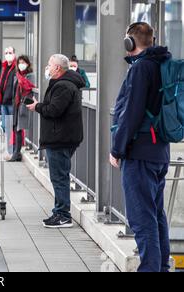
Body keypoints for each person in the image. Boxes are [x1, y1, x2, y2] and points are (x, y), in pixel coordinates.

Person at [110, 22, 172, 273]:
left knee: (141, 217)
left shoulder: (141, 68)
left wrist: (117, 149)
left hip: (139, 154)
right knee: (156, 215)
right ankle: (161, 267)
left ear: (130, 43)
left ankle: (149, 269)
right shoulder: (162, 65)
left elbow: (131, 113)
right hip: (159, 151)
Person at [26, 54, 85, 228]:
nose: (48, 67)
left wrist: (37, 106)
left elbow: (54, 110)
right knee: (60, 176)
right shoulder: (65, 84)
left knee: (59, 177)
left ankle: (63, 214)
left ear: (58, 68)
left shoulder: (63, 86)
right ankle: (59, 212)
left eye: (50, 65)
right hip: (62, 136)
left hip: (60, 138)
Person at [8, 55, 36, 162]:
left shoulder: (29, 76)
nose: (21, 65)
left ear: (28, 64)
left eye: (23, 62)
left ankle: (17, 153)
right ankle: (16, 152)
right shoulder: (17, 75)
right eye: (19, 62)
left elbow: (29, 87)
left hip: (24, 104)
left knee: (20, 128)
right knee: (15, 128)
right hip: (16, 104)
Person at [0, 47, 17, 158]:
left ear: (14, 54)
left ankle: (11, 150)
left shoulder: (15, 68)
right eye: (6, 53)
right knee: (6, 126)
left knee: (11, 127)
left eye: (10, 53)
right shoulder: (4, 66)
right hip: (4, 101)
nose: (8, 55)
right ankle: (10, 150)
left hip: (11, 101)